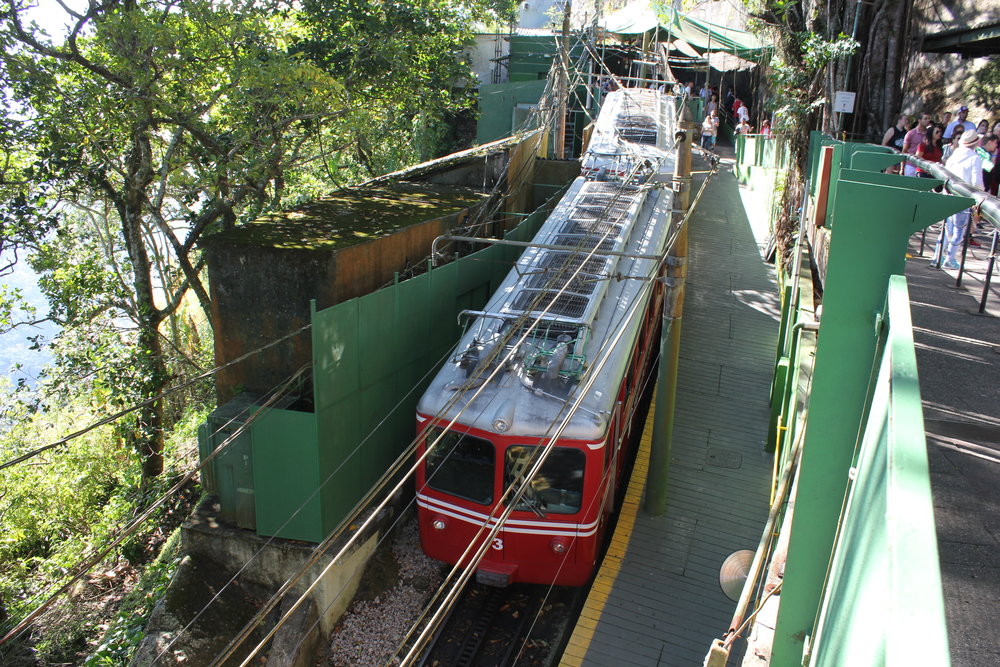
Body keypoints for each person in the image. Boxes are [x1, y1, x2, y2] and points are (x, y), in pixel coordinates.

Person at [931, 129, 985, 270]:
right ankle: (950, 258)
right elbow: (977, 181)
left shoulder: (955, 155)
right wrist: (980, 195)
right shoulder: (975, 158)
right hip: (963, 198)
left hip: (949, 195)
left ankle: (938, 256)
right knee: (958, 230)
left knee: (946, 228)